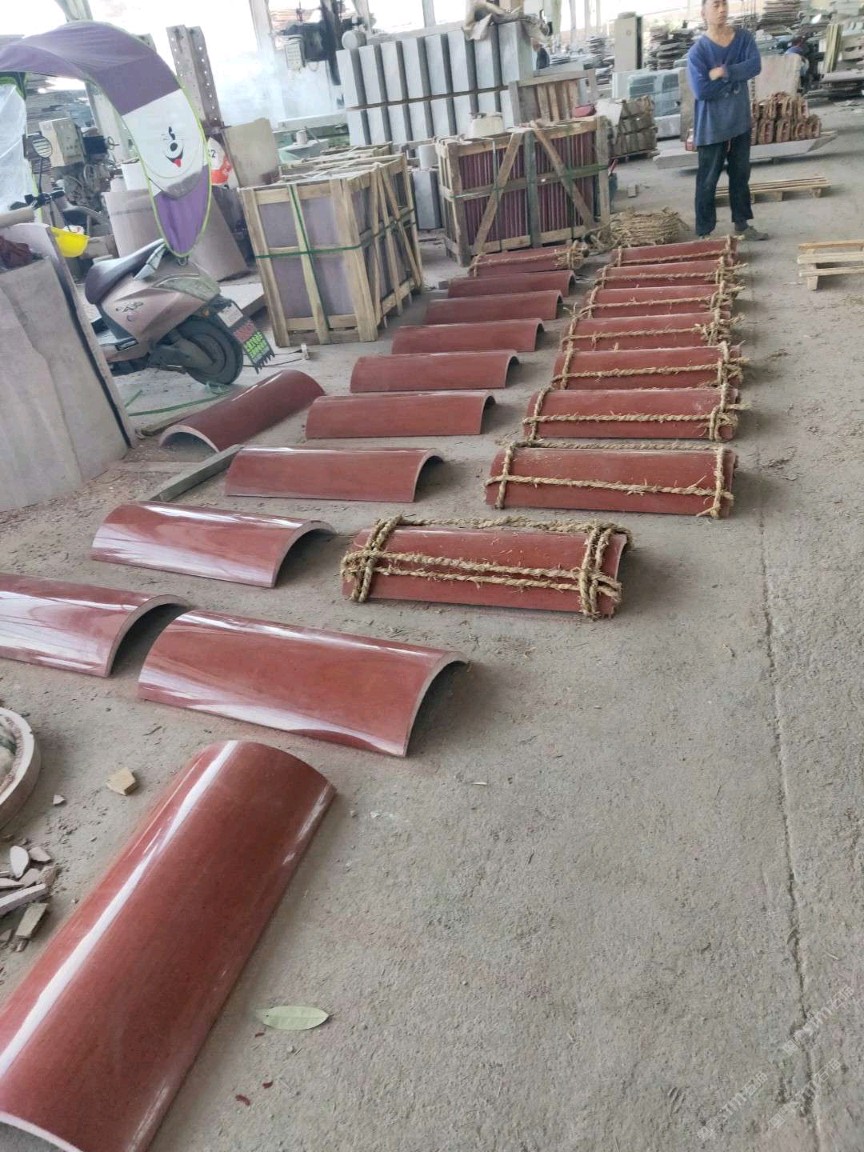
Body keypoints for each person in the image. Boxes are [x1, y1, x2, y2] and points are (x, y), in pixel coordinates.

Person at [687, 0, 766, 241]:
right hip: (711, 126)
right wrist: (735, 77)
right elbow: (701, 90)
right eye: (715, 5)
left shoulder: (743, 39)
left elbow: (755, 66)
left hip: (739, 121)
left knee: (741, 174)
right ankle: (704, 232)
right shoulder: (698, 52)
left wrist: (723, 72)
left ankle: (742, 225)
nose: (722, 9)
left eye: (724, 3)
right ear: (703, 12)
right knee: (707, 180)